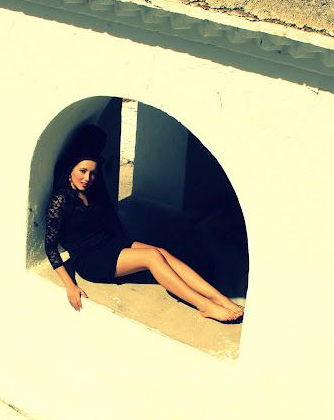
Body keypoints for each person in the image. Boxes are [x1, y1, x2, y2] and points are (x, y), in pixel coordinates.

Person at [45, 131, 243, 323]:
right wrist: (70, 286)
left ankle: (218, 297)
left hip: (108, 243)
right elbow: (50, 247)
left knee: (162, 252)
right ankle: (204, 306)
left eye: (92, 173)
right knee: (152, 257)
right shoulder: (60, 200)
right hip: (90, 260)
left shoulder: (91, 190)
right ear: (71, 170)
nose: (87, 178)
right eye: (82, 171)